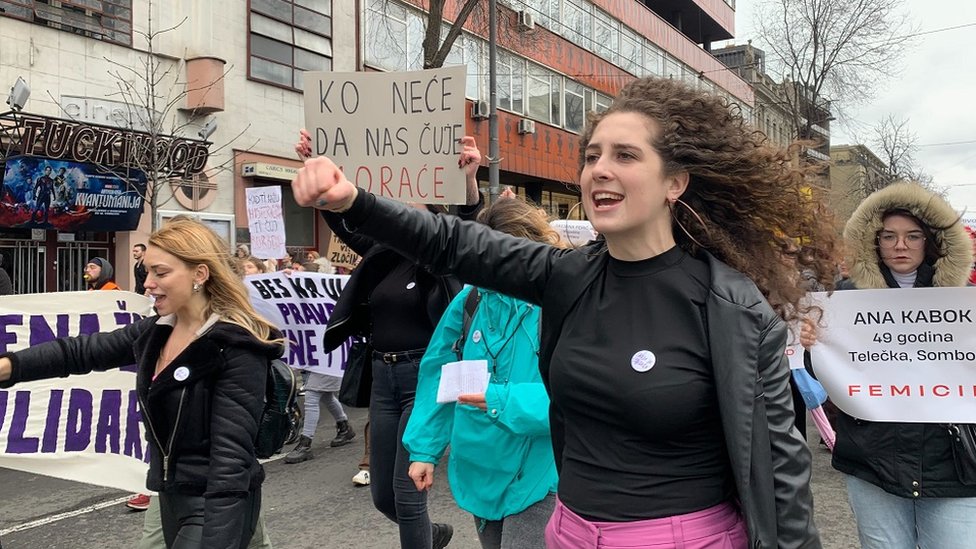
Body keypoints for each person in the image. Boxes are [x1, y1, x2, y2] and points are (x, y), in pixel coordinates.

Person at [292, 76, 837, 548]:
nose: (599, 169)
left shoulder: (732, 307)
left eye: (625, 155)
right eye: (592, 156)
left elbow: (781, 469)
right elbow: (455, 243)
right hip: (569, 532)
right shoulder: (565, 276)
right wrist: (352, 201)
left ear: (675, 183)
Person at [0, 217, 284, 549]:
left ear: (200, 275)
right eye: (146, 271)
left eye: (160, 273)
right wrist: (8, 366)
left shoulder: (235, 347)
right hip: (168, 496)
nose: (147, 283)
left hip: (214, 504)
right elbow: (79, 352)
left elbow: (230, 460)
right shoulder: (156, 331)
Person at [295, 130, 484, 549]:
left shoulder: (443, 251)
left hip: (425, 378)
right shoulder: (380, 251)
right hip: (384, 377)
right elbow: (341, 215)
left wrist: (468, 178)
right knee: (383, 496)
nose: (397, 210)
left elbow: (467, 225)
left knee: (407, 493)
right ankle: (434, 536)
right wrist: (321, 167)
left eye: (409, 206)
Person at [811, 182, 976, 548]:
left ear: (931, 241)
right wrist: (811, 346)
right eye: (889, 236)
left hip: (953, 464)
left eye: (913, 236)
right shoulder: (844, 298)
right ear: (874, 240)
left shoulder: (966, 301)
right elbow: (829, 371)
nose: (900, 246)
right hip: (873, 460)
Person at [404, 197, 561, 549]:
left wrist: (499, 398)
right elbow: (438, 374)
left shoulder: (557, 303)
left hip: (537, 468)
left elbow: (574, 397)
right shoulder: (470, 301)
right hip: (479, 468)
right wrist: (425, 450)